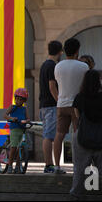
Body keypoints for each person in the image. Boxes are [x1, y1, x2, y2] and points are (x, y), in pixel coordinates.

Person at [70, 70, 102, 199]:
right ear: (98, 81)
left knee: (79, 168)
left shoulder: (79, 97)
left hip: (83, 134)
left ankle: (76, 193)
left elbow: (77, 115)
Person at [53, 38, 89, 174]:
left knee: (59, 134)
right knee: (78, 134)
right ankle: (78, 166)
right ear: (77, 50)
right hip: (77, 105)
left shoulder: (58, 66)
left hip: (61, 104)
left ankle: (56, 166)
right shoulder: (83, 67)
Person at [38, 40, 63, 174]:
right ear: (60, 52)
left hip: (43, 105)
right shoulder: (52, 66)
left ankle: (49, 164)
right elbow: (52, 86)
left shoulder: (44, 65)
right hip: (51, 105)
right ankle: (49, 165)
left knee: (47, 134)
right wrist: (59, 102)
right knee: (49, 136)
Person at [3, 88, 30, 174]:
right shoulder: (12, 107)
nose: (18, 101)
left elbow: (28, 118)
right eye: (17, 99)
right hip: (14, 129)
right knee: (14, 147)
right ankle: (10, 166)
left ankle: (18, 166)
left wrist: (27, 121)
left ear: (24, 100)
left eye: (21, 99)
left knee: (20, 148)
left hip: (22, 130)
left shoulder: (24, 109)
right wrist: (12, 118)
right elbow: (5, 115)